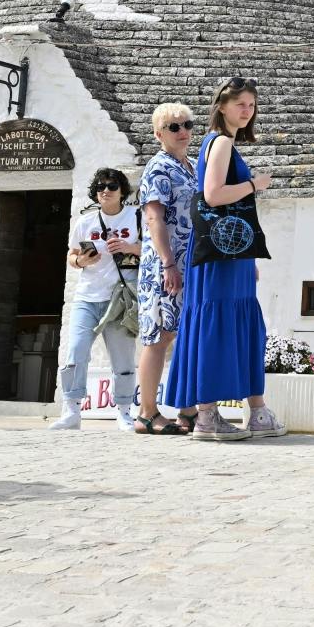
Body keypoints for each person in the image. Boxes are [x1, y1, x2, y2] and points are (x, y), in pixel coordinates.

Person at [164, 77, 287, 442]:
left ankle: (252, 412)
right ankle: (208, 414)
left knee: (238, 325)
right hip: (218, 258)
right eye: (240, 104)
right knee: (220, 325)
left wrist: (247, 256)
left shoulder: (225, 143)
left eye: (251, 104)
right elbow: (213, 195)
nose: (247, 111)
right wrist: (255, 184)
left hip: (229, 253)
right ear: (222, 106)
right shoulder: (219, 143)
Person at [50, 168, 141, 431]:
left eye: (112, 186)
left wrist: (129, 247)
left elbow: (155, 248)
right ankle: (71, 410)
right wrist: (80, 260)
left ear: (122, 190)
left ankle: (124, 410)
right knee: (75, 352)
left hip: (121, 299)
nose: (106, 190)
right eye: (100, 186)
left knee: (122, 357)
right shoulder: (85, 222)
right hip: (87, 297)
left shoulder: (136, 217)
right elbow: (72, 254)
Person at [132, 102, 200, 434]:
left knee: (186, 334)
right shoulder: (159, 168)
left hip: (191, 264)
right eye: (174, 127)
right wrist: (168, 263)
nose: (183, 131)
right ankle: (147, 412)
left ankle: (187, 410)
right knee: (159, 335)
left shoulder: (192, 165)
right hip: (166, 266)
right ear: (159, 134)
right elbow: (153, 218)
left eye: (187, 124)